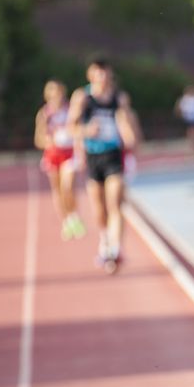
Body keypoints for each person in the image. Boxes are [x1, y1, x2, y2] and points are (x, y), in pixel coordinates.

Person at [69, 59, 139, 273]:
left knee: (115, 203)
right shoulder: (83, 97)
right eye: (98, 74)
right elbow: (71, 127)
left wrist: (129, 137)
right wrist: (86, 131)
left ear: (110, 75)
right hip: (93, 156)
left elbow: (126, 123)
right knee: (99, 209)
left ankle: (116, 250)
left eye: (106, 74)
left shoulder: (119, 98)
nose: (103, 78)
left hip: (113, 155)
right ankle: (105, 240)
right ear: (91, 75)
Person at [34, 80, 85, 240]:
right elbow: (38, 139)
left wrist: (80, 150)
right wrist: (50, 140)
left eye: (59, 93)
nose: (56, 96)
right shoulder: (44, 113)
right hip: (53, 154)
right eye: (52, 93)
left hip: (69, 153)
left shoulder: (70, 110)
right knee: (57, 191)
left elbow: (78, 130)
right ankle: (66, 222)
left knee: (67, 186)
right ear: (48, 95)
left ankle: (74, 216)